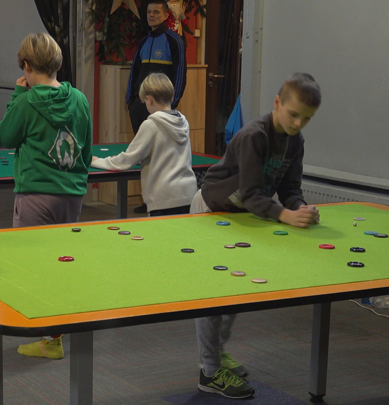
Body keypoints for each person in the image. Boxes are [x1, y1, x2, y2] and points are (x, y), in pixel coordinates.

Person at [193, 73, 322, 399]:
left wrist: (301, 208)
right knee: (213, 293)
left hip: (242, 217)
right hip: (212, 210)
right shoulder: (254, 136)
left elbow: (289, 189)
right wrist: (285, 215)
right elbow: (251, 194)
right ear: (277, 104)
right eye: (293, 114)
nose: (298, 123)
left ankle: (217, 353)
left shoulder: (295, 141)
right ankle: (209, 372)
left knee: (235, 287)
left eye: (306, 119)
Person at [0, 33, 92, 359]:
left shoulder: (26, 101)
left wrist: (17, 95)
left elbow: (5, 136)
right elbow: (86, 149)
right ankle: (57, 330)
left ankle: (48, 338)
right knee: (60, 263)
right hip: (71, 193)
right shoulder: (79, 99)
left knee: (33, 267)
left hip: (36, 192)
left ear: (26, 66)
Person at [91, 73, 196, 216]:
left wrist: (97, 161)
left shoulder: (151, 125)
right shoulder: (183, 121)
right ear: (171, 98)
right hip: (188, 194)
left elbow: (126, 161)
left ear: (149, 99)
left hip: (163, 198)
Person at [126, 0, 187, 213]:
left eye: (156, 12)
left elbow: (180, 74)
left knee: (161, 156)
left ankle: (163, 201)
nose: (151, 15)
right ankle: (148, 200)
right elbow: (134, 73)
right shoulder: (143, 42)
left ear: (165, 15)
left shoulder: (174, 41)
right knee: (145, 157)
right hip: (139, 106)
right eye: (149, 12)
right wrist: (130, 101)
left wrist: (172, 104)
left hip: (162, 109)